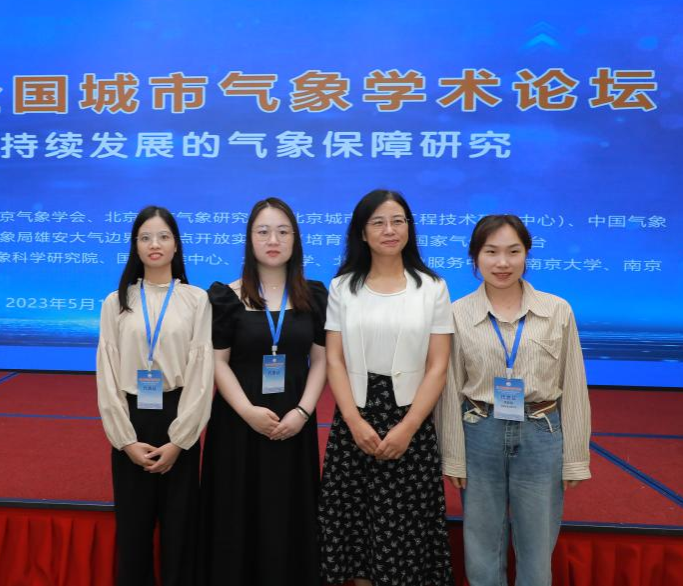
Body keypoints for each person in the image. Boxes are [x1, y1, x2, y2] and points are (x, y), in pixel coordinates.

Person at [436, 214, 591, 586]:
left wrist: (575, 459)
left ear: (527, 254)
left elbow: (574, 386)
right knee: (481, 544)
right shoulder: (457, 314)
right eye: (491, 252)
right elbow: (450, 389)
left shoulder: (557, 310)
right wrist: (453, 455)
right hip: (479, 432)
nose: (502, 263)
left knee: (537, 547)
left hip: (541, 432)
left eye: (513, 251)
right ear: (475, 257)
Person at [319, 189, 454, 586]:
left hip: (410, 418)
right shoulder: (343, 287)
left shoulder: (432, 287)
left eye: (398, 221)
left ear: (409, 228)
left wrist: (409, 426)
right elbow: (334, 360)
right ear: (362, 233)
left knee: (404, 531)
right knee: (356, 530)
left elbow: (438, 365)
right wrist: (353, 421)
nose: (389, 230)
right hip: (356, 417)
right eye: (378, 222)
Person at [200, 197, 328, 586]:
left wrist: (303, 413)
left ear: (296, 240)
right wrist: (247, 412)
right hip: (238, 426)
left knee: (286, 514)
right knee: (236, 514)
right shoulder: (226, 296)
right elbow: (217, 362)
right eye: (264, 231)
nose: (273, 240)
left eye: (283, 231)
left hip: (293, 424)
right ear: (249, 239)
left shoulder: (314, 296)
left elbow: (321, 360)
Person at [96, 205, 213, 586]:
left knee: (180, 530)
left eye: (163, 236)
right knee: (134, 531)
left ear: (176, 245)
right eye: (145, 237)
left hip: (178, 417)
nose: (154, 244)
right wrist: (125, 441)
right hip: (132, 419)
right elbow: (108, 374)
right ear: (135, 246)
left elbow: (201, 372)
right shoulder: (117, 301)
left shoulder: (196, 299)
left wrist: (180, 441)